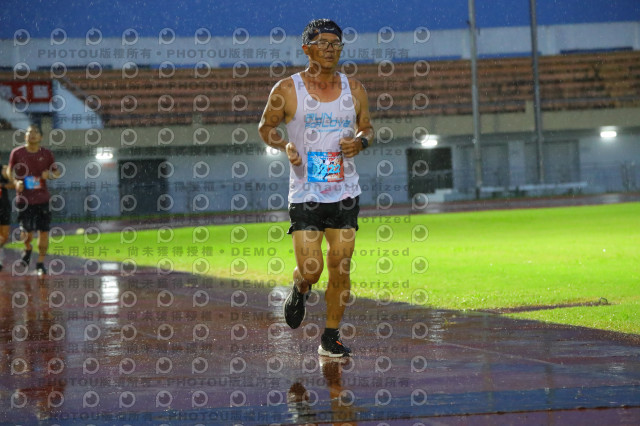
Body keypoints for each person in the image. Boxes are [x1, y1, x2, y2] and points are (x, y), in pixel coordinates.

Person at [258, 19, 374, 357]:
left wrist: (360, 142)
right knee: (312, 269)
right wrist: (284, 145)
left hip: (344, 190)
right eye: (323, 43)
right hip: (306, 192)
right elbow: (266, 127)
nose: (330, 49)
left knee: (341, 265)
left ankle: (330, 337)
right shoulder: (287, 89)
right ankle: (300, 287)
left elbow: (367, 128)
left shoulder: (355, 89)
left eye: (336, 44)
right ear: (306, 48)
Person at [8, 123, 60, 276]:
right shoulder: (17, 153)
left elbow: (57, 172)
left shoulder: (47, 153)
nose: (32, 135)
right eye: (29, 132)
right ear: (25, 136)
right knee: (26, 233)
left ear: (41, 137)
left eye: (36, 132)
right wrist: (16, 182)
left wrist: (49, 175)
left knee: (44, 232)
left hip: (42, 199)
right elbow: (10, 171)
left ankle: (40, 263)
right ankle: (28, 248)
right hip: (24, 200)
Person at [0, 160, 16, 272]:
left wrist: (2, 185)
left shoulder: (5, 169)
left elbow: (14, 184)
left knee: (4, 236)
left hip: (3, 206)